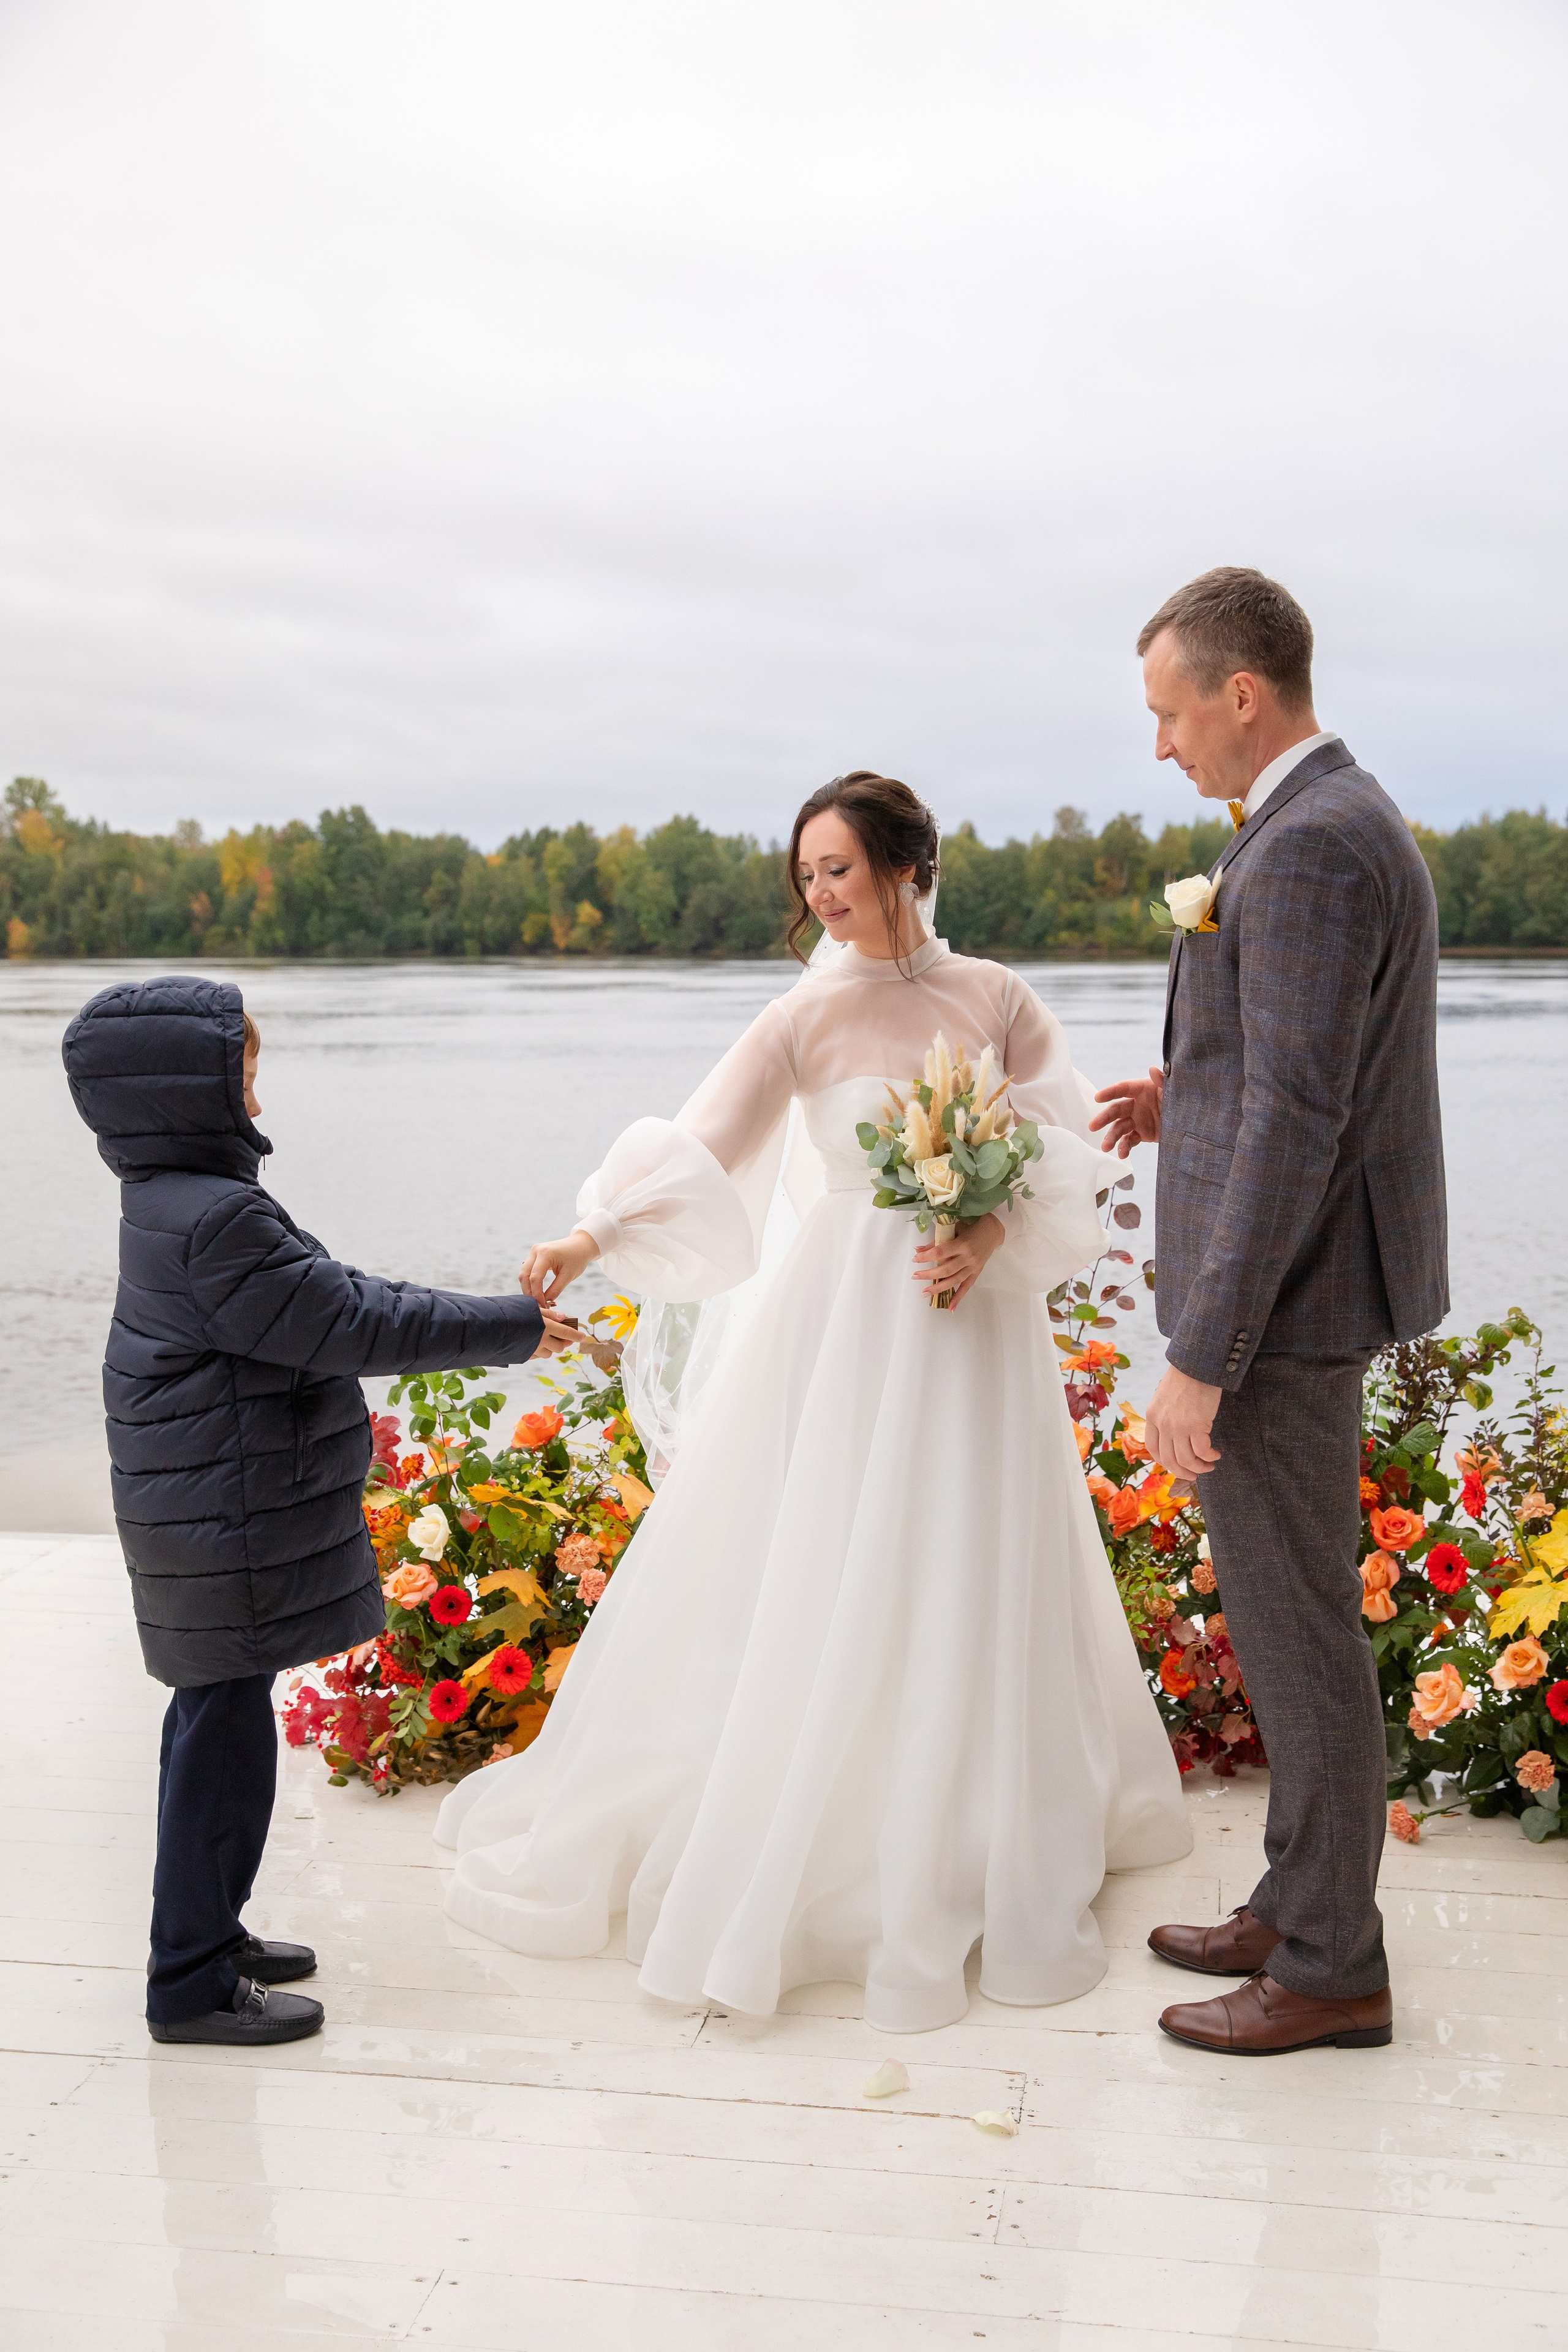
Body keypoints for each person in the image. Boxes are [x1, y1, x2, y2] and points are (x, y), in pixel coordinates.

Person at [435, 771, 1191, 2033]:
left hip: (973, 1320)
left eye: (838, 869)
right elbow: (705, 1142)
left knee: (970, 1545)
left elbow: (1063, 1156)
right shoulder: (800, 1016)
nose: (820, 896)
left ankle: (976, 1805)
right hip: (842, 1320)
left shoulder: (995, 997)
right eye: (805, 878)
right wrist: (585, 1238)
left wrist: (990, 1226)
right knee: (832, 1546)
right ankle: (833, 1811)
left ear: (906, 867)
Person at [61, 975, 574, 2048]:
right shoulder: (214, 1218)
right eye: (239, 1069)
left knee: (216, 1718)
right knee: (223, 1733)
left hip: (204, 1495)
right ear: (185, 1093)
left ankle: (208, 1932)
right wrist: (516, 1325)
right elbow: (351, 1319)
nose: (255, 1087)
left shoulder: (174, 1194)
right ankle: (191, 1983)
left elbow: (322, 1295)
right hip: (220, 1502)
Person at [1091, 567, 1447, 2057]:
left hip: (1284, 1318)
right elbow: (1301, 1070)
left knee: (1296, 1632)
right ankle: (1297, 1897)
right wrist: (1191, 1095)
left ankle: (1324, 1967)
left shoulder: (1303, 849)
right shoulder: (1331, 821)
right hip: (1313, 1293)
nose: (1162, 745)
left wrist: (1197, 1356)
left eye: (1171, 713)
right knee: (1289, 1618)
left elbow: (1300, 1119)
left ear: (1245, 695)